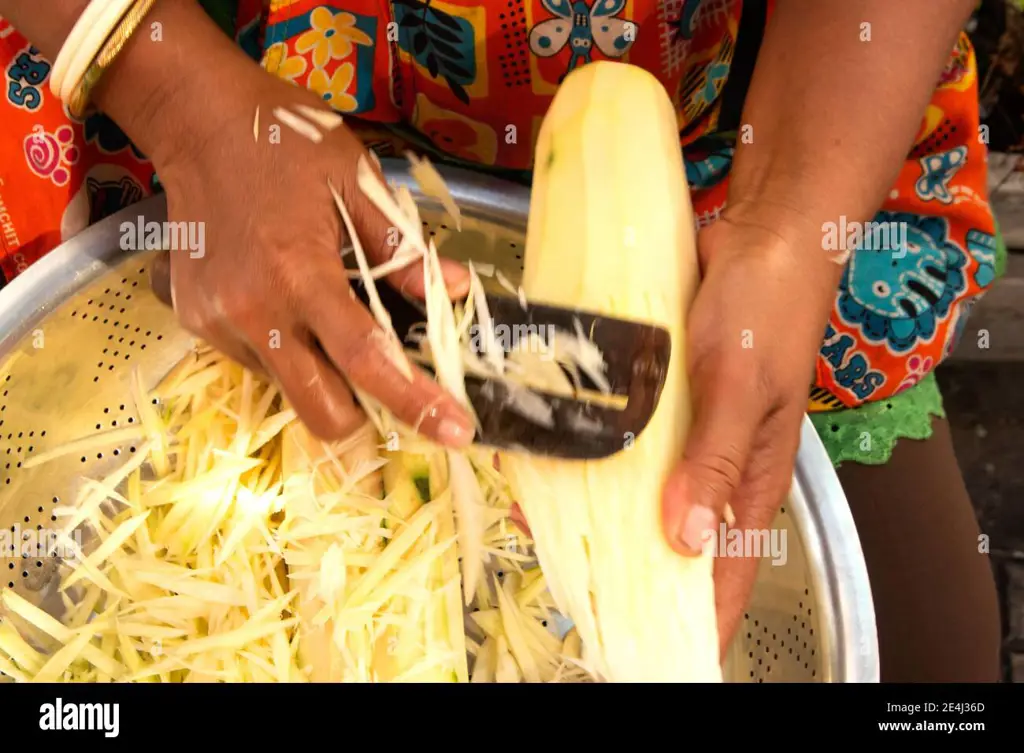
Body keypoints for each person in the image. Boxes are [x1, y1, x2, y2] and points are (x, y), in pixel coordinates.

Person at [0, 0, 1004, 681]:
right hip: (181, 78)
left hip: (744, 140)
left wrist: (786, 233)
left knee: (934, 654)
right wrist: (181, 102)